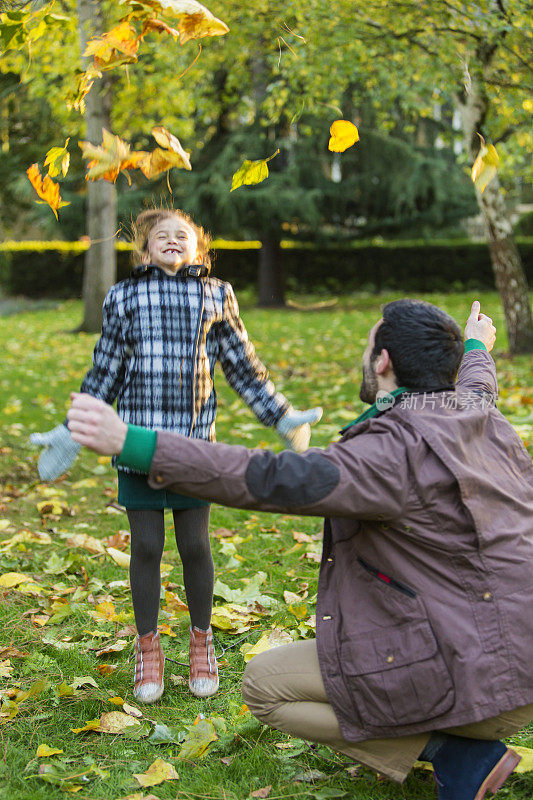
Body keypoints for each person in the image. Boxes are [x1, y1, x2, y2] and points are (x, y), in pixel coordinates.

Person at [66, 299, 533, 800]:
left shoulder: (386, 456)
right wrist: (477, 345)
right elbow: (478, 380)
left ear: (382, 362)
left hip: (488, 686)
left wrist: (132, 442)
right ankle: (459, 746)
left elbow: (273, 479)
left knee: (265, 688)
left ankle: (453, 752)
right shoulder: (477, 410)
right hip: (520, 663)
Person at [31, 206, 322, 704]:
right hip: (137, 446)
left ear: (198, 250)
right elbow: (107, 368)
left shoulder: (216, 294)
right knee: (145, 546)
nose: (171, 241)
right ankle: (148, 645)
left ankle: (201, 639)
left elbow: (242, 366)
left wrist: (281, 415)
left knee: (194, 546)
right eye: (160, 236)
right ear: (143, 251)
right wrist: (72, 429)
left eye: (181, 235)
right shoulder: (124, 297)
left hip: (193, 449)